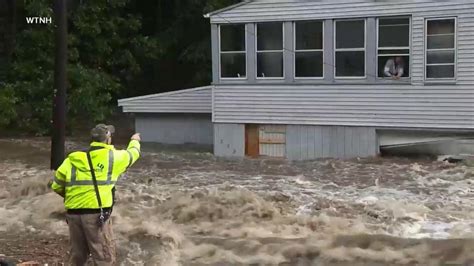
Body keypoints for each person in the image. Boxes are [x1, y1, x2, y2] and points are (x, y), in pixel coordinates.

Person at [50, 124, 141, 265]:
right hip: (96, 216)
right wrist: (135, 140)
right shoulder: (113, 157)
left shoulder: (72, 159)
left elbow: (56, 185)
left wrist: (76, 198)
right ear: (108, 139)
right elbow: (133, 154)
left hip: (73, 215)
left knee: (77, 257)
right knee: (104, 258)